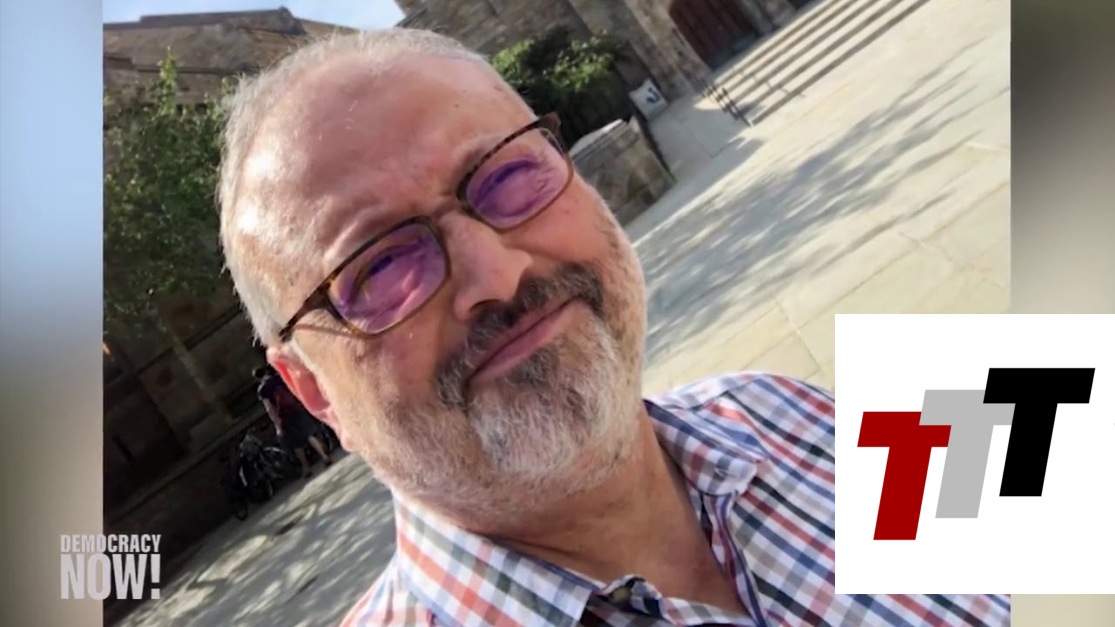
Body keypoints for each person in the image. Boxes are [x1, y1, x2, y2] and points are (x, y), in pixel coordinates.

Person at [217, 29, 1010, 627]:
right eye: (381, 268)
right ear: (313, 391)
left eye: (507, 174)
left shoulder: (787, 412)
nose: (495, 274)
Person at [253, 365, 331, 478]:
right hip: (297, 408)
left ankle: (306, 468)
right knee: (308, 435)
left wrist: (277, 425)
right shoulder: (279, 377)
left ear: (258, 378)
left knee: (296, 443)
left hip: (284, 416)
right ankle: (324, 456)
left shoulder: (262, 390)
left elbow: (269, 408)